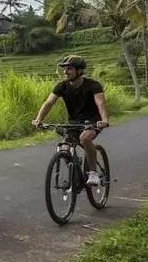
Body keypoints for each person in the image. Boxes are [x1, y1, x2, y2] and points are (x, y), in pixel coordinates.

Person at [31, 55, 109, 186]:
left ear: (79, 71)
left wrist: (104, 120)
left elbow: (100, 103)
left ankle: (94, 173)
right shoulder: (62, 86)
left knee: (85, 138)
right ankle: (75, 168)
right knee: (64, 147)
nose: (65, 72)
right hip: (73, 123)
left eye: (69, 69)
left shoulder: (93, 85)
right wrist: (39, 119)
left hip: (92, 121)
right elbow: (48, 103)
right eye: (64, 69)